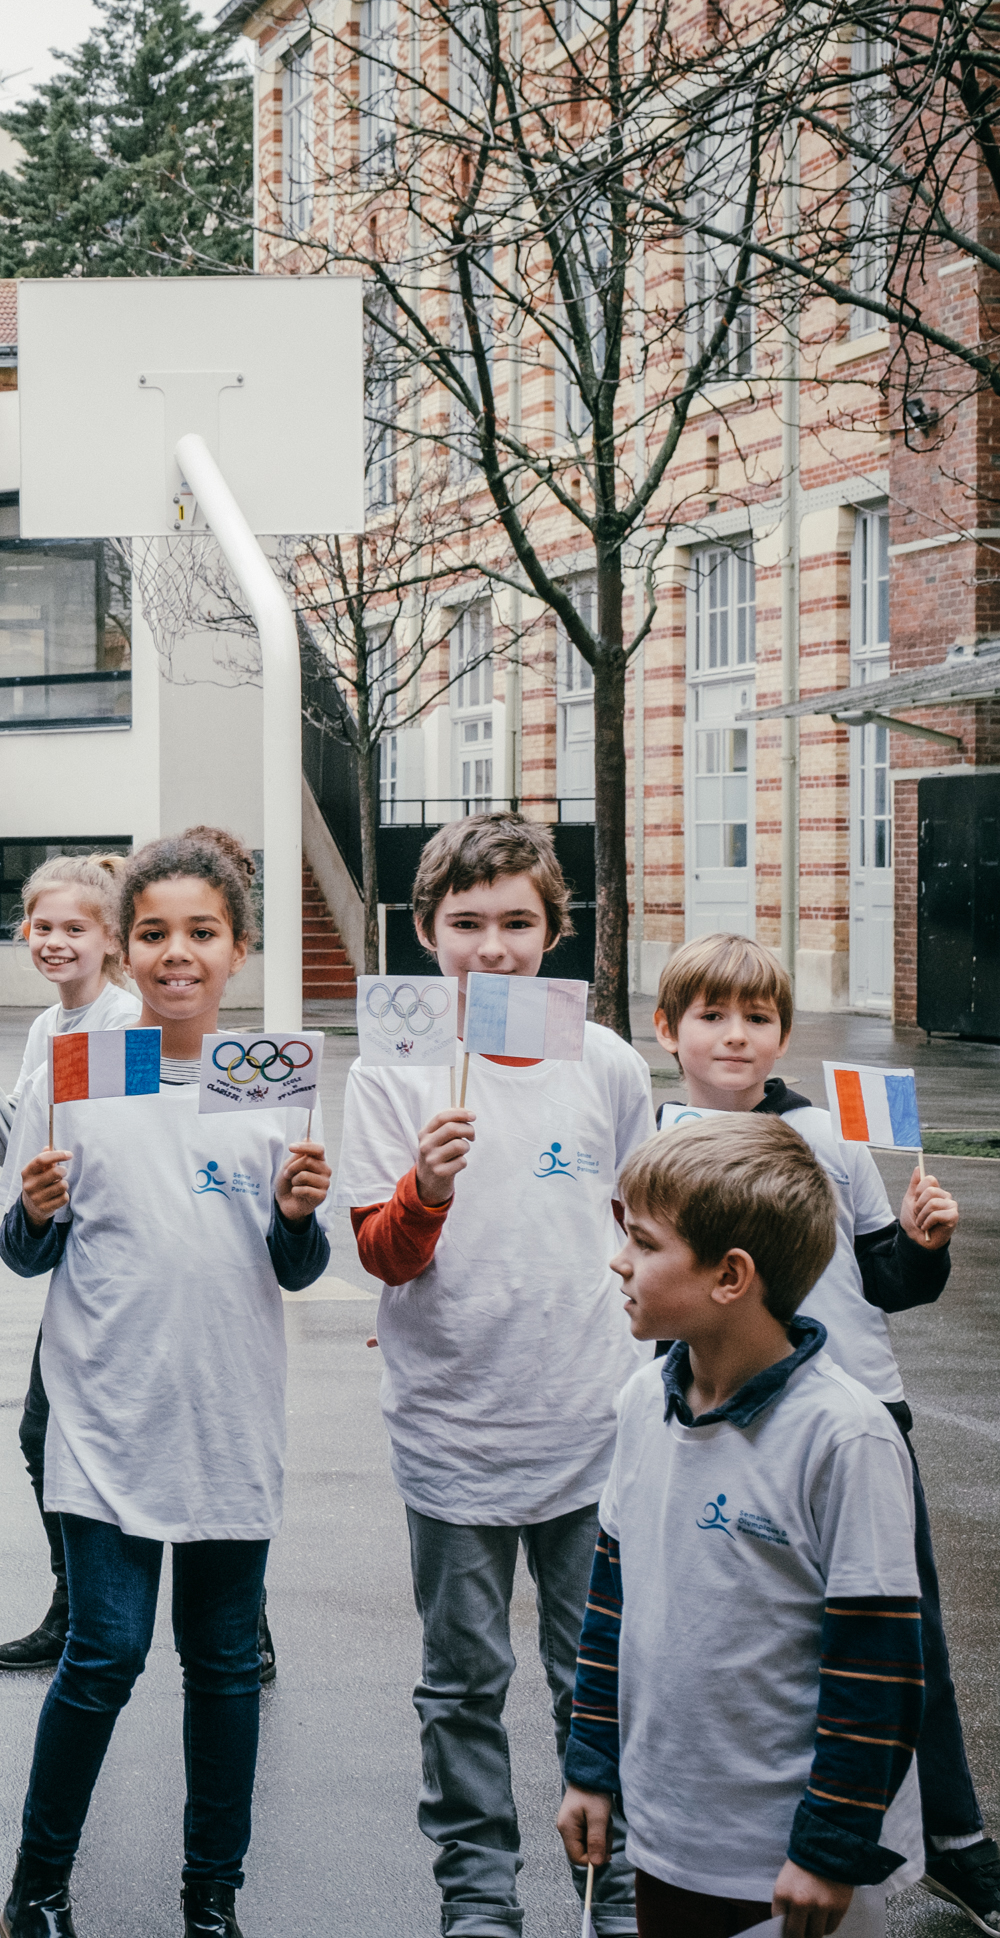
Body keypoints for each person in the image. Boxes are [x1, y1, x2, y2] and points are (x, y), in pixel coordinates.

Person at [0, 826, 331, 1938]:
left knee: (225, 1663)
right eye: (152, 932)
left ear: (237, 948)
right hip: (106, 1407)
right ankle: (35, 1889)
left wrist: (296, 1216)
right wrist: (36, 1209)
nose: (175, 952)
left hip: (228, 1411)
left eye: (201, 932)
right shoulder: (77, 1066)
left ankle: (211, 1895)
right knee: (105, 1652)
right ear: (125, 949)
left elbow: (298, 1263)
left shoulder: (272, 1074)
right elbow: (24, 1249)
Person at [332, 813, 651, 1938]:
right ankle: (477, 1891)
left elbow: (640, 1223)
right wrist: (422, 1184)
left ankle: (612, 1885)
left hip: (589, 1418)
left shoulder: (605, 1061)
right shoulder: (392, 1070)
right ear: (426, 931)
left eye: (518, 921)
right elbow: (379, 1255)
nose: (494, 947)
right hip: (452, 1425)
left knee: (594, 1674)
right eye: (466, 922)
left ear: (554, 929)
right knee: (463, 1682)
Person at [643, 932, 993, 1929]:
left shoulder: (833, 1136)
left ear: (784, 1031)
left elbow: (887, 1279)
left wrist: (925, 1245)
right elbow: (633, 1282)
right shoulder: (654, 1139)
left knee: (899, 1634)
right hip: (718, 1419)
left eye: (757, 1016)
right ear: (669, 1030)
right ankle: (731, 1836)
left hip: (859, 1416)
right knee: (735, 1634)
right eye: (711, 1014)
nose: (736, 1034)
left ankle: (958, 1842)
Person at [559, 1114, 923, 1938]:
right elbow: (611, 1610)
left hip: (792, 1865)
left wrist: (829, 1847)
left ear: (731, 1276)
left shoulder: (844, 1436)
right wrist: (592, 1770)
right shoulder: (641, 1404)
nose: (620, 1261)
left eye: (645, 1244)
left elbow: (879, 1665)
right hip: (665, 1835)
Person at [0, 853, 141, 1673]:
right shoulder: (49, 1029)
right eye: (42, 927)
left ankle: (238, 1621)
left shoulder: (129, 1024)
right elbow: (19, 1150)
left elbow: (112, 1152)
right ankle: (75, 1606)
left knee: (142, 1443)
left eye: (73, 929)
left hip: (126, 1271)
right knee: (42, 1435)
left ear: (111, 938)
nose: (53, 942)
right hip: (69, 1269)